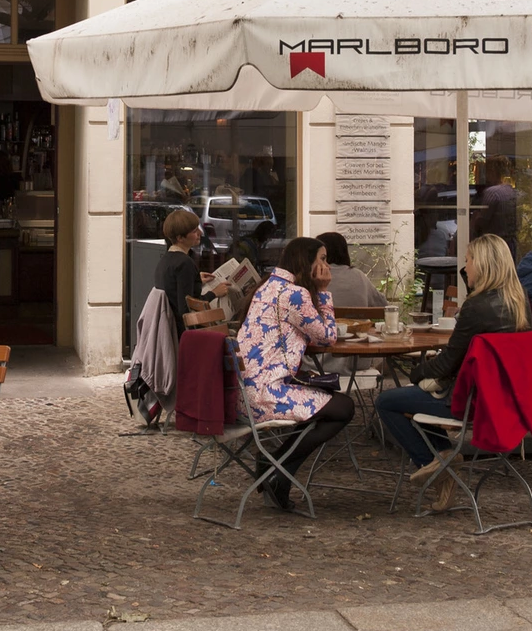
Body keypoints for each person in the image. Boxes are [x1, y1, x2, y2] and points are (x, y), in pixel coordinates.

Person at [377, 235, 530, 507]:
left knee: (388, 401)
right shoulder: (519, 302)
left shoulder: (477, 305)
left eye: (468, 261)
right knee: (416, 401)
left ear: (482, 265)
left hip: (469, 401)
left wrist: (416, 372)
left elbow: (447, 362)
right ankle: (444, 454)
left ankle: (437, 466)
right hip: (503, 399)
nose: (466, 267)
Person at [234, 236, 353, 511]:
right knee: (343, 407)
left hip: (244, 391)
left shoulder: (267, 287)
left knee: (324, 400)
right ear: (306, 262)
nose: (326, 265)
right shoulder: (294, 294)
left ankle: (275, 464)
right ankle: (279, 466)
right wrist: (323, 292)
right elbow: (327, 339)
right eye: (322, 259)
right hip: (264, 396)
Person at [157, 208, 240, 326]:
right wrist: (214, 293)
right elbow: (186, 308)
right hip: (185, 332)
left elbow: (174, 289)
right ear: (180, 238)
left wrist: (196, 280)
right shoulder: (185, 263)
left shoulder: (165, 260)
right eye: (194, 231)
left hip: (170, 327)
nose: (200, 233)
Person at [316, 231, 387, 308]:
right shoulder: (359, 275)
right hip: (358, 320)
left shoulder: (315, 277)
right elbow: (382, 304)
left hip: (325, 319)